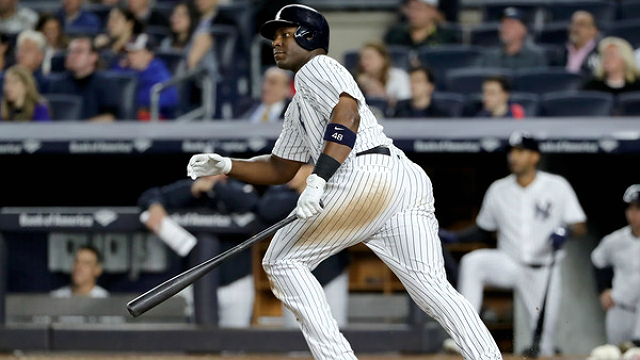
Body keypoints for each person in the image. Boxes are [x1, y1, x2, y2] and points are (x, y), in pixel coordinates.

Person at [186, 5, 502, 360]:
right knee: (435, 291)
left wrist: (319, 180)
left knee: (282, 260)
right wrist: (228, 164)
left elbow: (347, 114)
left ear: (308, 36)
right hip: (403, 180)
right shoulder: (298, 104)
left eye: (284, 34)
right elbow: (280, 168)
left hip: (363, 175)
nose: (275, 42)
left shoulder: (316, 67)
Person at [443, 131, 587, 357]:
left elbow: (579, 224)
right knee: (474, 262)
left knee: (544, 345)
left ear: (535, 156)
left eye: (520, 151)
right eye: (511, 152)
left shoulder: (557, 186)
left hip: (543, 270)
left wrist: (565, 230)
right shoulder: (498, 189)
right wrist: (456, 237)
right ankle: (465, 334)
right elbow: (483, 228)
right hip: (509, 263)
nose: (514, 157)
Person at [138, 174, 259, 327]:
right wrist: (154, 205)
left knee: (236, 344)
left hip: (235, 283)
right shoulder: (191, 189)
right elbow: (151, 195)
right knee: (198, 343)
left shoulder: (239, 188)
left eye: (215, 166)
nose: (211, 171)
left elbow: (252, 203)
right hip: (196, 284)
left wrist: (215, 187)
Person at [256, 164, 350, 328]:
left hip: (331, 271)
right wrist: (305, 198)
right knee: (297, 335)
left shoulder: (336, 189)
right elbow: (266, 210)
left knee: (335, 330)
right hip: (293, 274)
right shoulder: (280, 192)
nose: (290, 173)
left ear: (313, 168)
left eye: (298, 168)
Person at [591, 184, 640, 347]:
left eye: (638, 208)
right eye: (630, 209)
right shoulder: (615, 240)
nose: (634, 214)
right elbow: (597, 261)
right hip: (619, 308)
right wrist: (603, 289)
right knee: (614, 354)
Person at [46, 36, 117, 121]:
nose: (73, 56)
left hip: (94, 132)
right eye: (70, 52)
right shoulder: (56, 84)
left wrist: (78, 129)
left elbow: (109, 118)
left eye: (79, 52)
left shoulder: (106, 84)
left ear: (93, 57)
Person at [111, 33, 178, 120]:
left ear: (149, 54)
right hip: (128, 115)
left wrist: (135, 98)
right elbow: (111, 87)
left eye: (135, 52)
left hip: (153, 118)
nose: (130, 56)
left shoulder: (158, 71)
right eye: (129, 52)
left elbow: (171, 98)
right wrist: (119, 67)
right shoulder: (126, 68)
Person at [476, 7, 547, 71]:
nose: (505, 28)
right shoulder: (489, 57)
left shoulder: (535, 57)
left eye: (511, 24)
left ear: (524, 30)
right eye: (503, 24)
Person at [355, 42, 411, 111]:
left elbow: (405, 103)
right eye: (362, 58)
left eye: (369, 57)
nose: (363, 62)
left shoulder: (399, 76)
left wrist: (377, 89)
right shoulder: (357, 79)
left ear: (383, 59)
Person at [383, 0, 457, 49]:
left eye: (418, 9)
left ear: (432, 11)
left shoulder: (447, 36)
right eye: (410, 8)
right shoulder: (395, 34)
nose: (413, 14)